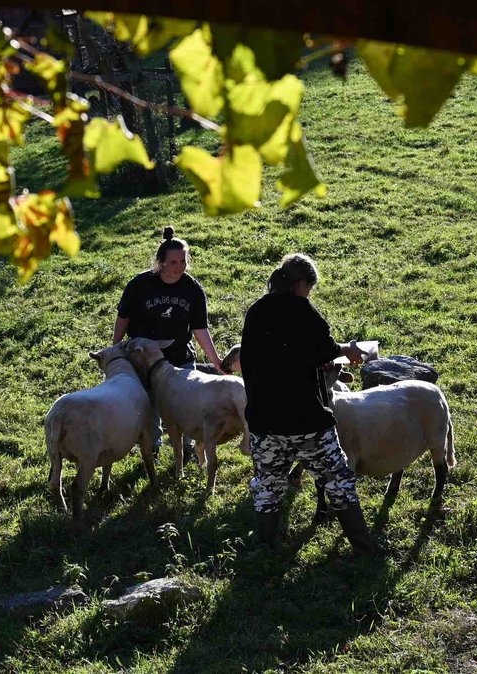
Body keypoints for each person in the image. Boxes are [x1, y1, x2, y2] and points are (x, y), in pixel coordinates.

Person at [238, 253, 381, 555]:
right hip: (306, 420)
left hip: (264, 422)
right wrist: (350, 350)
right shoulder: (302, 311)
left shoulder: (257, 311)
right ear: (301, 284)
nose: (308, 294)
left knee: (269, 485)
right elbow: (324, 350)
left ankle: (264, 550)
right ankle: (365, 548)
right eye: (309, 288)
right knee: (339, 479)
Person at [114, 226, 224, 452]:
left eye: (183, 261)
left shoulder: (192, 289)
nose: (179, 267)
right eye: (173, 262)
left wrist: (216, 362)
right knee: (150, 400)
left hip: (179, 356)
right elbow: (123, 317)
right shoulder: (140, 285)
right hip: (144, 357)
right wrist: (115, 349)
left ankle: (188, 447)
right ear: (161, 262)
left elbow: (200, 329)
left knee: (188, 402)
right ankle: (153, 444)